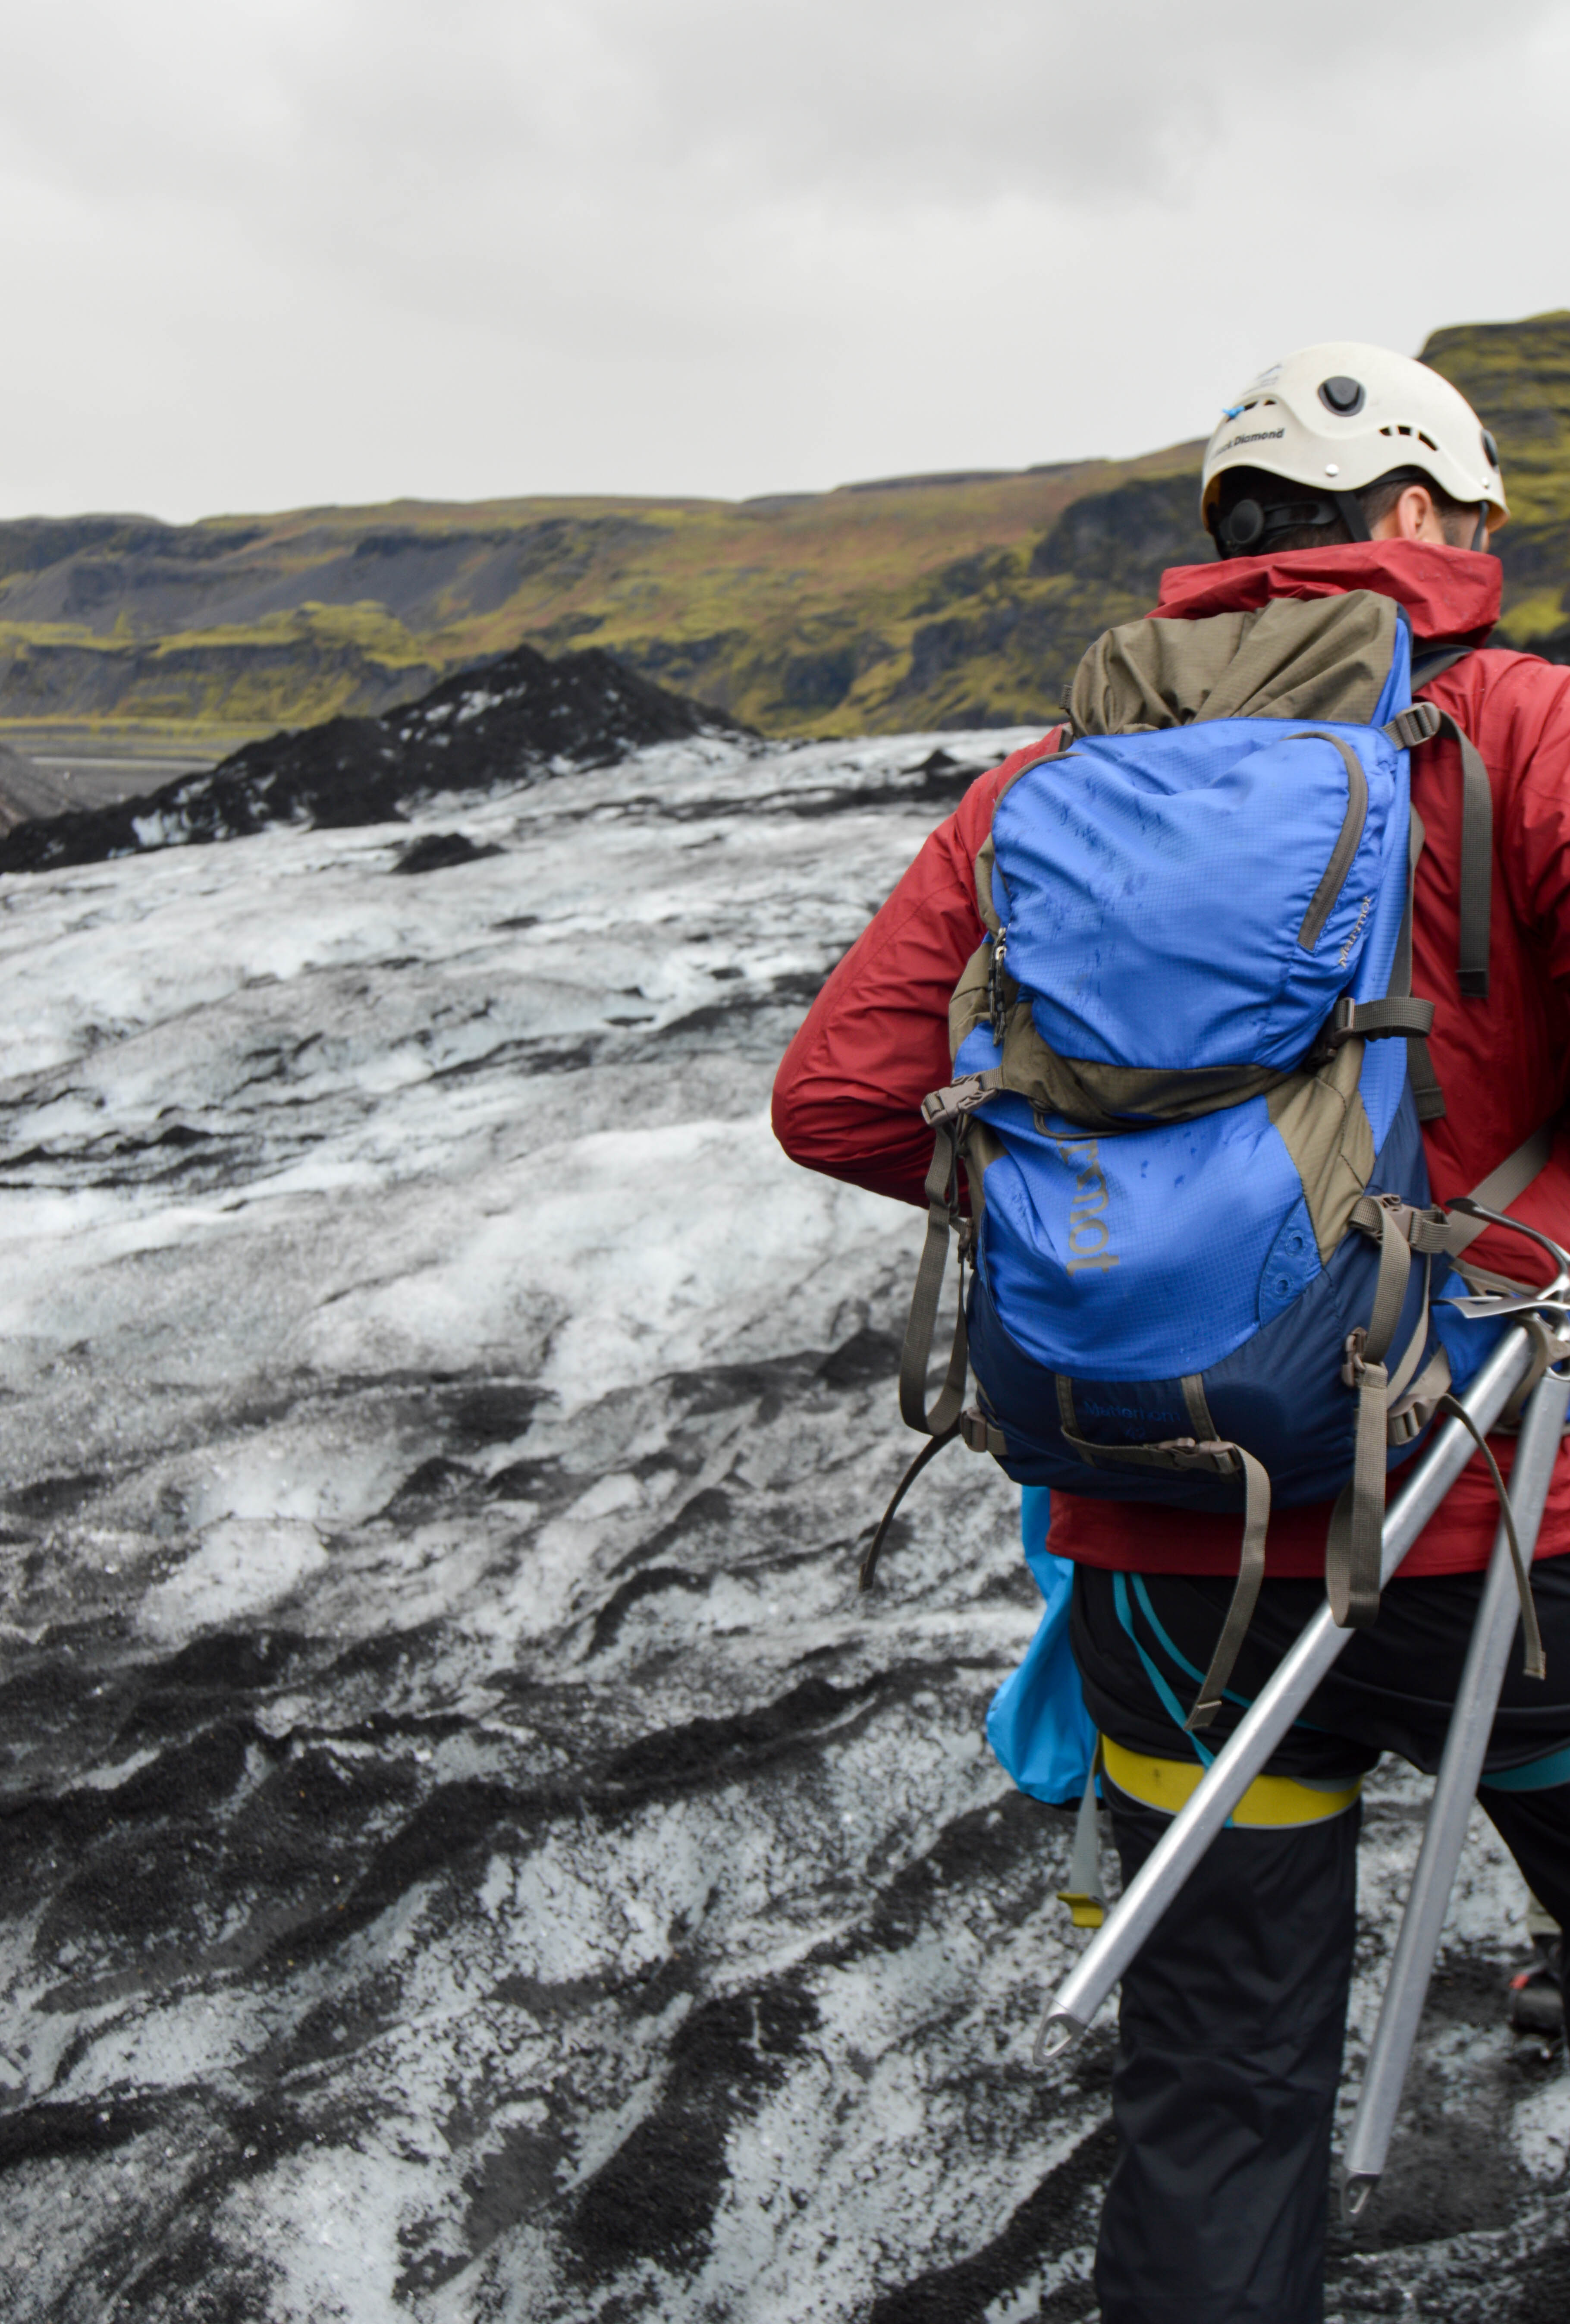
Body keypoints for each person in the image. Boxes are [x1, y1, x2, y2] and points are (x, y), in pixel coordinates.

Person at [772, 342, 1570, 2324]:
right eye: (1470, 520)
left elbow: (846, 1097)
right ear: (1413, 523)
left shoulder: (1048, 788)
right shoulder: (1518, 727)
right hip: (1516, 1537)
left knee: (1216, 2094)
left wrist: (1115, 1228)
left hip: (1166, 1556)